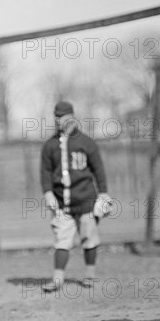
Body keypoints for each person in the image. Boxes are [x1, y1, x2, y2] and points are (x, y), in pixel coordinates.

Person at [40, 100, 111, 292]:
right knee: (62, 240)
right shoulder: (50, 145)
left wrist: (103, 194)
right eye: (55, 116)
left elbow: (99, 170)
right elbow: (45, 172)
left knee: (89, 238)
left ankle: (90, 275)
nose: (57, 120)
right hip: (62, 203)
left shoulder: (86, 142)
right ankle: (57, 279)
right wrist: (48, 193)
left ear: (71, 116)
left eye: (61, 116)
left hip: (86, 200)